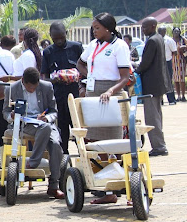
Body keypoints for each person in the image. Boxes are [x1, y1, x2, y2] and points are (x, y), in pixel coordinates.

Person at [76, 13, 132, 204]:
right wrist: (89, 76)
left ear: (108, 28)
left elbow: (125, 77)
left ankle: (126, 184)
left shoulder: (119, 46)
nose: (94, 31)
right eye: (93, 28)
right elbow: (80, 63)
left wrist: (111, 90)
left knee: (115, 141)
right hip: (93, 92)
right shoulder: (93, 45)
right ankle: (108, 191)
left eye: (97, 28)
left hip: (110, 93)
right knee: (97, 140)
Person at [3, 67, 65, 199]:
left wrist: (46, 118)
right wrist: (12, 116)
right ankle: (35, 162)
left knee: (55, 144)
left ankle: (54, 186)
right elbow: (5, 112)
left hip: (44, 122)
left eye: (34, 88)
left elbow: (54, 111)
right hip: (25, 125)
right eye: (29, 88)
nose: (32, 90)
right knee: (46, 128)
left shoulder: (46, 87)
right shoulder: (11, 89)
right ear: (23, 81)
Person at [40, 21, 83, 154]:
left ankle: (83, 153)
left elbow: (86, 69)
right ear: (50, 36)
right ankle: (64, 157)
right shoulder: (48, 52)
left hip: (75, 94)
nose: (59, 41)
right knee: (62, 128)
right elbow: (44, 77)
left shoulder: (76, 47)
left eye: (61, 37)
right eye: (55, 38)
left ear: (66, 34)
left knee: (78, 126)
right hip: (58, 95)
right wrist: (54, 79)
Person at [136, 18, 169, 156]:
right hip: (158, 83)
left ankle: (159, 147)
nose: (143, 30)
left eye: (145, 27)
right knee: (157, 115)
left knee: (152, 117)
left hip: (151, 85)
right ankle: (160, 145)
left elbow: (145, 63)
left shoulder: (152, 41)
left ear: (153, 26)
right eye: (142, 27)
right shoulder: (158, 38)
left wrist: (135, 70)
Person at [160, 26, 177, 104]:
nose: (160, 33)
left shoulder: (169, 40)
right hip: (159, 63)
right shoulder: (156, 39)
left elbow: (174, 51)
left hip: (167, 62)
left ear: (165, 31)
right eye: (159, 31)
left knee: (168, 81)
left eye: (162, 31)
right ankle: (160, 100)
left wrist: (168, 58)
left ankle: (171, 100)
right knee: (159, 81)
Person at [171, 28, 186, 101]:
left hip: (182, 61)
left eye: (177, 31)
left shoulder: (183, 40)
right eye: (175, 31)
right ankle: (178, 96)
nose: (176, 32)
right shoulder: (171, 40)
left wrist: (183, 47)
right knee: (175, 80)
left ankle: (183, 96)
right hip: (173, 61)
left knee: (182, 79)